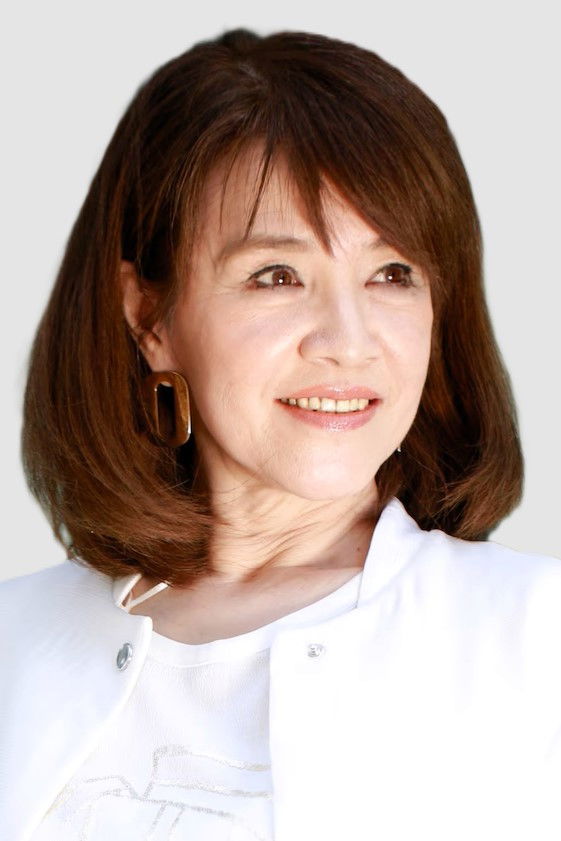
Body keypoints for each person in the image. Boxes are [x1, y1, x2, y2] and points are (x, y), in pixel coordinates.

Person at [1, 26, 560, 841]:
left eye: (391, 274)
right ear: (149, 316)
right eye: (277, 275)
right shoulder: (14, 639)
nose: (348, 340)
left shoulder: (535, 638)